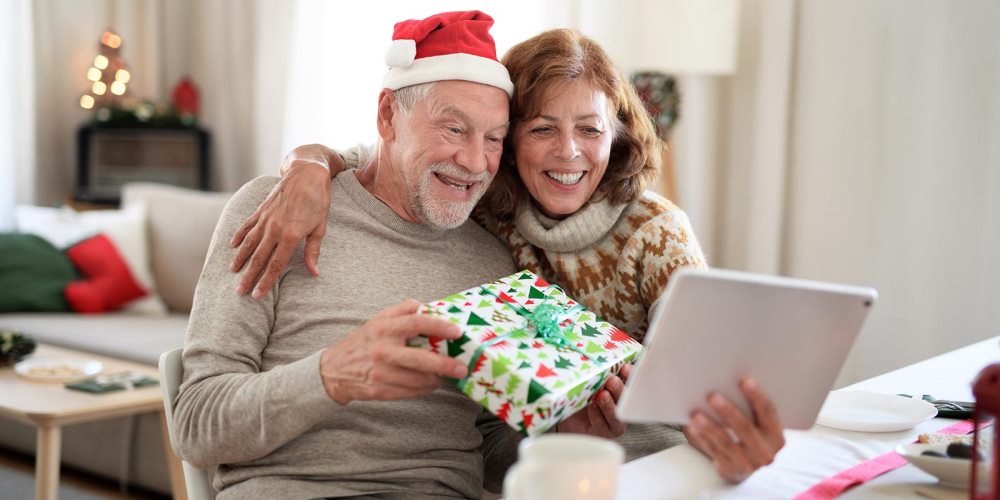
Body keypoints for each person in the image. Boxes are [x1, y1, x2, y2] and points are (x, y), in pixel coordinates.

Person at [229, 27, 785, 482]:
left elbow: (708, 378)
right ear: (513, 140)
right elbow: (387, 155)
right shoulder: (486, 214)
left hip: (661, 463)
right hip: (558, 471)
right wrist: (309, 161)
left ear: (614, 136)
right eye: (542, 128)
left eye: (589, 129)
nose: (569, 152)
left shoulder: (657, 230)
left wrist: (730, 442)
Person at [174, 12, 631, 499]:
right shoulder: (280, 211)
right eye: (454, 130)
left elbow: (486, 450)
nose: (476, 163)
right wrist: (332, 374)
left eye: (494, 138)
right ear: (388, 116)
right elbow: (197, 425)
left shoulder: (494, 264)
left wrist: (560, 434)